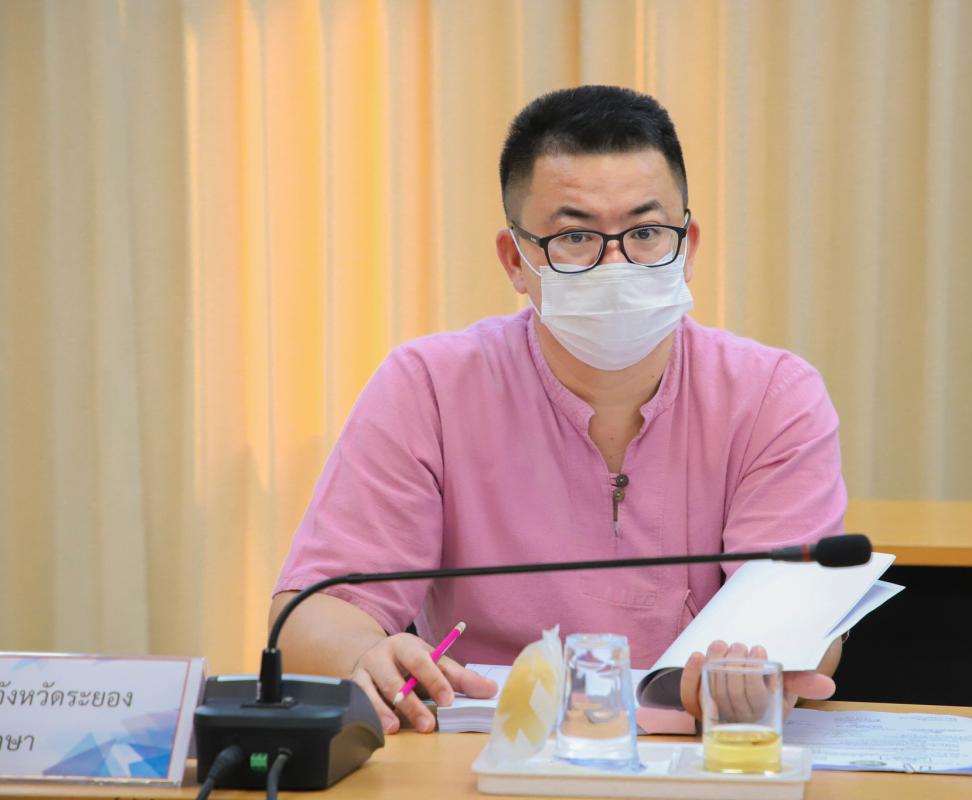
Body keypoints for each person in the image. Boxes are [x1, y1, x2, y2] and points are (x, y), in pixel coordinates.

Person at [270, 85, 848, 735]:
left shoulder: (773, 397)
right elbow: (312, 614)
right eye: (575, 236)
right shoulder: (428, 387)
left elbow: (805, 629)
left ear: (688, 246)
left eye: (646, 233)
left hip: (700, 752)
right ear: (515, 260)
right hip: (480, 752)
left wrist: (760, 670)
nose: (616, 262)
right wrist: (363, 655)